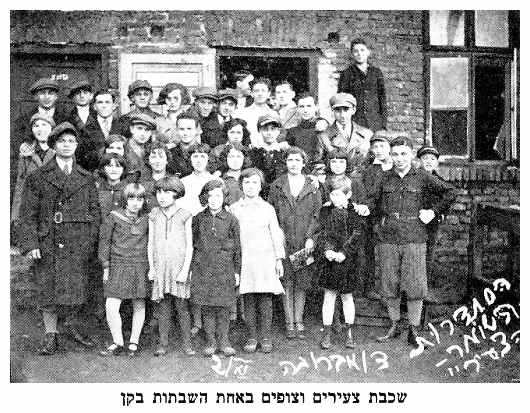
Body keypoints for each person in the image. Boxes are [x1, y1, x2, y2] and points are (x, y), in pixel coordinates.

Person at [19, 122, 100, 355]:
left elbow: (94, 212)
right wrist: (31, 243)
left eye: (71, 141)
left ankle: (72, 326)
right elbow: (27, 214)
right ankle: (51, 334)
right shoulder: (38, 177)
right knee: (48, 288)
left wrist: (90, 240)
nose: (67, 145)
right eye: (62, 141)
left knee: (77, 287)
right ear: (54, 145)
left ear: (76, 145)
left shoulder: (85, 177)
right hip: (49, 240)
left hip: (78, 241)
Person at [369, 137, 455, 348]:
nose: (399, 159)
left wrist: (433, 212)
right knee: (390, 283)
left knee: (415, 284)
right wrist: (375, 222)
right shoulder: (384, 178)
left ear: (410, 154)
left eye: (403, 154)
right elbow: (373, 202)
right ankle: (395, 324)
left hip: (415, 237)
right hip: (388, 238)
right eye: (395, 154)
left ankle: (414, 330)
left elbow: (450, 192)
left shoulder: (422, 176)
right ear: (390, 155)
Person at [268, 147, 322, 340]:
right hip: (284, 241)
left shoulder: (313, 186)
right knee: (287, 281)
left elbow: (317, 214)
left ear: (303, 163)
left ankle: (299, 320)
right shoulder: (277, 185)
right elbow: (271, 212)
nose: (293, 163)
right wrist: (277, 233)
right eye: (290, 160)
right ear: (285, 162)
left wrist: (310, 237)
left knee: (301, 282)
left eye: (297, 160)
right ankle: (289, 321)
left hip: (303, 243)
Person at [230, 168, 285, 353]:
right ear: (241, 186)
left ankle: (266, 337)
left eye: (254, 182)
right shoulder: (235, 209)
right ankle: (252, 336)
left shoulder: (267, 208)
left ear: (261, 186)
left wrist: (278, 259)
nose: (250, 186)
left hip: (265, 259)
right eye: (246, 183)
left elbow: (276, 234)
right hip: (245, 260)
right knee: (249, 299)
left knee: (265, 298)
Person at [191, 180, 241, 356]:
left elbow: (238, 248)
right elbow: (193, 245)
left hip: (224, 269)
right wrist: (192, 269)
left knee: (223, 307)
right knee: (207, 306)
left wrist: (237, 271)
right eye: (210, 195)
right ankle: (211, 341)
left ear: (224, 198)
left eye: (218, 195)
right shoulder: (198, 219)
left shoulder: (231, 220)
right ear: (204, 197)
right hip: (203, 269)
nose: (213, 199)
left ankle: (224, 341)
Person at [318, 175, 369, 350]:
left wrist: (344, 253)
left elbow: (357, 235)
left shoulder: (355, 213)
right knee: (329, 295)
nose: (334, 198)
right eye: (332, 195)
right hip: (330, 259)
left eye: (339, 195)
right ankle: (327, 333)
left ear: (348, 195)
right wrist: (327, 250)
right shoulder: (325, 211)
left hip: (348, 260)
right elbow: (324, 233)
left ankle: (349, 333)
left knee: (347, 296)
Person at [98, 183, 149, 357]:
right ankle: (117, 341)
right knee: (112, 304)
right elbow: (104, 242)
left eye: (140, 199)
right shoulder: (113, 217)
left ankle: (134, 342)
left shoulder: (147, 219)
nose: (135, 203)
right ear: (125, 200)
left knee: (139, 303)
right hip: (118, 264)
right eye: (131, 198)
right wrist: (106, 266)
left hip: (140, 264)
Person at [148, 176, 195, 356]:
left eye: (167, 192)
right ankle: (163, 344)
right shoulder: (153, 214)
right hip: (161, 267)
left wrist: (185, 270)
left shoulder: (185, 214)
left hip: (178, 267)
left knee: (182, 307)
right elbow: (150, 244)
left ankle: (187, 344)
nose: (162, 196)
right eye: (159, 192)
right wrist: (152, 268)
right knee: (163, 307)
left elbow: (190, 245)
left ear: (177, 194)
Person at [11, 78, 69, 201]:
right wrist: (22, 145)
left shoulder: (66, 118)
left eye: (51, 93)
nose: (46, 97)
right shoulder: (23, 120)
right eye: (42, 93)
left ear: (57, 96)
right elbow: (16, 141)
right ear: (36, 96)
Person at [361, 133, 393, 300]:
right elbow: (368, 195)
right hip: (375, 217)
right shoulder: (370, 170)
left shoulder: (396, 167)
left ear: (389, 148)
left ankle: (391, 289)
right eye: (375, 147)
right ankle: (371, 288)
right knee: (372, 254)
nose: (379, 150)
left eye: (382, 146)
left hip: (394, 216)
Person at [11, 114, 56, 227]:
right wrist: (15, 216)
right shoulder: (26, 154)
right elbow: (20, 186)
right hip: (31, 212)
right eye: (36, 126)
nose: (40, 129)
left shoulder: (61, 152)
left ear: (52, 128)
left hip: (54, 212)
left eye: (44, 125)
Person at [417, 144, 449, 297]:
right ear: (419, 161)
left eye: (432, 159)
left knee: (428, 255)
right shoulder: (416, 178)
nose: (428, 161)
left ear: (436, 162)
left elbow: (447, 197)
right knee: (415, 255)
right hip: (415, 222)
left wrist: (440, 212)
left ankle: (424, 290)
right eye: (425, 158)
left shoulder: (439, 180)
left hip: (432, 224)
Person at [338, 38, 387, 132]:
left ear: (368, 52)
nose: (359, 53)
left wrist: (383, 125)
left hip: (374, 123)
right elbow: (342, 101)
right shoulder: (346, 74)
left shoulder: (376, 73)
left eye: (362, 50)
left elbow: (382, 100)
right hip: (354, 122)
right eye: (356, 51)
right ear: (352, 54)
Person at [320, 93, 372, 174]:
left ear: (353, 110)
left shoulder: (367, 134)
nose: (342, 115)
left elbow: (372, 162)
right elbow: (318, 165)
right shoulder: (324, 136)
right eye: (338, 110)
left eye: (346, 109)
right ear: (332, 111)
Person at [78, 89, 121, 172]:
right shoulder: (86, 129)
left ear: (114, 105)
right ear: (94, 106)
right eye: (100, 102)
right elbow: (82, 158)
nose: (104, 106)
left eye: (107, 102)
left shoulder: (122, 126)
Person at [248, 113, 289, 197]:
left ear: (278, 131)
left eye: (273, 129)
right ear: (259, 130)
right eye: (265, 129)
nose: (269, 133)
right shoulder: (254, 152)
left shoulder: (285, 153)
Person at [285, 93, 328, 168]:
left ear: (316, 107)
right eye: (302, 107)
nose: (305, 110)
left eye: (309, 106)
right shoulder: (292, 132)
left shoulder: (323, 126)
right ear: (297, 109)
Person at [235, 77, 277, 147]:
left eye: (263, 91)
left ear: (268, 93)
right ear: (252, 93)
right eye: (257, 91)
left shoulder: (274, 114)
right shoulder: (241, 114)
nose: (260, 94)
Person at [155, 82, 191, 148]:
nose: (172, 102)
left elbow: (196, 145)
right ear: (164, 100)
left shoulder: (190, 120)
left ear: (182, 99)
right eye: (169, 98)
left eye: (176, 98)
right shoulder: (158, 121)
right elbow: (154, 145)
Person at [141, 141, 173, 211]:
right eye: (153, 157)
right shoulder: (141, 183)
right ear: (148, 160)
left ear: (167, 160)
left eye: (161, 157)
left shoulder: (174, 181)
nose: (157, 161)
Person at [124, 113, 156, 180]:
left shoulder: (152, 150)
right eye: (139, 128)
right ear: (131, 129)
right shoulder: (121, 148)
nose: (143, 134)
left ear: (151, 133)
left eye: (147, 130)